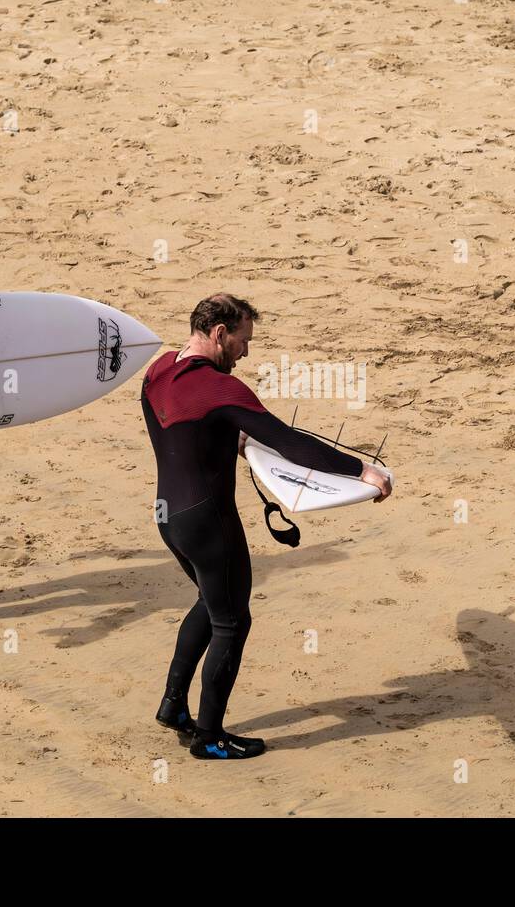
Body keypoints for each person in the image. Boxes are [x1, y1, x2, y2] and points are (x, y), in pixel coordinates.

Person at [141, 294, 392, 759]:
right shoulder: (222, 390)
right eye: (242, 341)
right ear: (219, 334)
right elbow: (290, 444)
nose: (245, 352)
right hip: (209, 522)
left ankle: (173, 706)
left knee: (210, 603)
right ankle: (210, 737)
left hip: (167, 517)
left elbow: (176, 428)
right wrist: (360, 471)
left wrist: (226, 435)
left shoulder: (158, 371)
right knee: (232, 623)